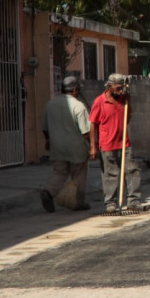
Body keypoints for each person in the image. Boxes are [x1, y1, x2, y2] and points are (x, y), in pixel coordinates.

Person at [89, 73, 142, 213]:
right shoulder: (99, 102)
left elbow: (127, 119)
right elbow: (93, 124)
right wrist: (93, 146)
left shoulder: (124, 100)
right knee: (111, 175)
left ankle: (133, 201)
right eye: (118, 88)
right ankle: (110, 203)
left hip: (124, 143)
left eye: (122, 88)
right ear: (109, 86)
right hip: (107, 145)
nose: (120, 91)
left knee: (132, 171)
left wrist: (128, 102)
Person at [39, 76, 92, 212]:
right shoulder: (78, 106)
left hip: (57, 146)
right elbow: (85, 131)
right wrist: (93, 145)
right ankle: (77, 202)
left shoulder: (50, 104)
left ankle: (49, 192)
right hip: (76, 147)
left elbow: (45, 128)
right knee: (79, 174)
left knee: (60, 172)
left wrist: (48, 140)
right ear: (74, 90)